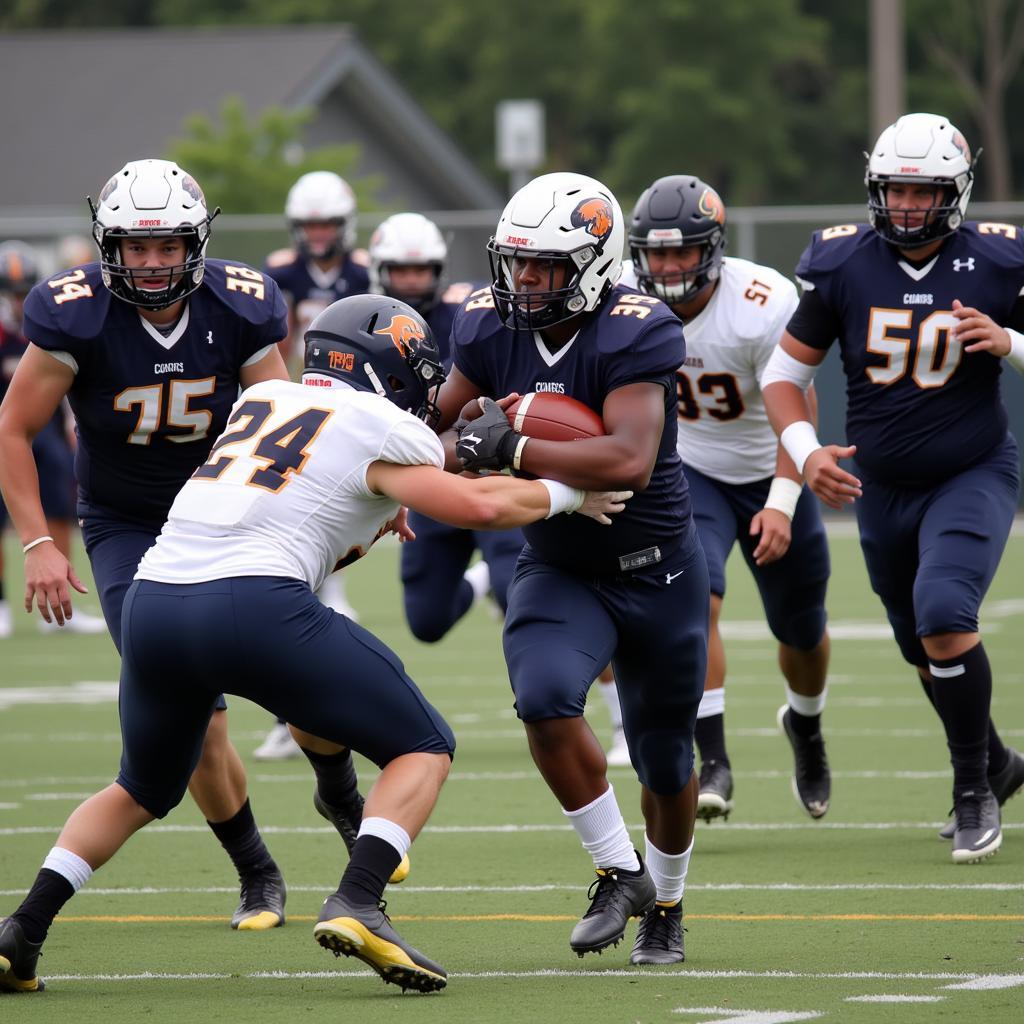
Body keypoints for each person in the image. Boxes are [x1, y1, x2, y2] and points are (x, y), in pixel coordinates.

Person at [0, 292, 629, 994]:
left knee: (140, 788)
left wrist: (373, 519)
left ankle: (22, 929)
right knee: (422, 746)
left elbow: (303, 520)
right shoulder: (377, 426)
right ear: (389, 367)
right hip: (251, 604)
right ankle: (360, 900)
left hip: (153, 603)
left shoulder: (261, 404)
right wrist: (572, 494)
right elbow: (479, 504)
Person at [0, 159, 295, 929]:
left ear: (195, 243)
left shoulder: (240, 304)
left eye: (168, 247)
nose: (154, 263)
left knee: (296, 675)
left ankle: (336, 799)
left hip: (226, 516)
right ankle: (257, 869)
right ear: (110, 246)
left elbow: (283, 421)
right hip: (128, 526)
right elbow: (12, 427)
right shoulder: (75, 314)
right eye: (137, 247)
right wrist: (37, 543)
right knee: (193, 707)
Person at [438, 172, 710, 965]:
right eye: (515, 262)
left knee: (665, 758)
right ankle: (618, 871)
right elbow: (440, 434)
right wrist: (544, 483)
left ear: (594, 263)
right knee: (544, 701)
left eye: (544, 266)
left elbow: (627, 456)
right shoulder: (488, 325)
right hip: (560, 564)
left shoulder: (637, 327)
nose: (523, 281)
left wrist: (515, 448)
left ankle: (666, 903)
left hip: (656, 566)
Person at [761, 112, 1024, 864]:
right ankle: (999, 764)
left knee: (945, 613)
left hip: (970, 471)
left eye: (923, 190)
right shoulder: (843, 262)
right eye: (896, 189)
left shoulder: (1001, 263)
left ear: (956, 192)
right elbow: (784, 374)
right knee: (922, 644)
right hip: (878, 488)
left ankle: (972, 790)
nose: (908, 205)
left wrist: (1007, 342)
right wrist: (806, 453)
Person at [624, 175, 832, 821]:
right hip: (690, 475)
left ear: (711, 248)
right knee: (698, 599)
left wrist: (783, 500)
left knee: (802, 632)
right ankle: (712, 758)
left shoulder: (762, 302)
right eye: (655, 253)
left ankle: (807, 726)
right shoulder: (626, 302)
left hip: (772, 466)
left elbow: (796, 403)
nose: (666, 265)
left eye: (681, 251)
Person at [369, 211, 526, 641]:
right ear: (381, 271)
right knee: (427, 621)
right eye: (401, 270)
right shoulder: (367, 323)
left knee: (518, 596)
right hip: (428, 474)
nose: (412, 280)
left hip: (486, 469)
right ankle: (480, 580)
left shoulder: (471, 312)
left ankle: (495, 580)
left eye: (421, 270)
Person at [254, 170, 368, 762]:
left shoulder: (367, 271)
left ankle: (313, 708)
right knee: (300, 568)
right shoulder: (281, 274)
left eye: (327, 224)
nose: (319, 236)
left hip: (357, 417)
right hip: (300, 411)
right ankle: (297, 713)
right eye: (311, 226)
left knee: (318, 567)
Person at [0, 241, 104, 638]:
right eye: (11, 291)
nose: (17, 298)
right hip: (9, 425)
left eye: (23, 289)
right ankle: (1, 603)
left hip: (41, 423)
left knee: (61, 503)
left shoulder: (44, 319)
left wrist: (68, 421)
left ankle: (62, 603)